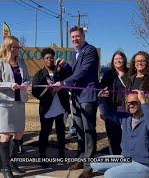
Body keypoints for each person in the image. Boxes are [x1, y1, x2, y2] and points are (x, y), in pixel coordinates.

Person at [79, 90, 149, 178]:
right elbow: (107, 113)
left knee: (109, 174)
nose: (131, 105)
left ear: (141, 102)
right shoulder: (125, 118)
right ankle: (126, 172)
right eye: (128, 103)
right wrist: (101, 99)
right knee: (95, 163)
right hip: (126, 159)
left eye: (134, 102)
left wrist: (144, 101)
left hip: (143, 165)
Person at [53, 26, 100, 176]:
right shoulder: (75, 54)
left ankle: (89, 164)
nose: (75, 39)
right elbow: (74, 72)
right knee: (79, 130)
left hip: (87, 96)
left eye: (77, 36)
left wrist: (63, 83)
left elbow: (83, 72)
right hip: (76, 96)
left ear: (83, 36)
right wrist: (64, 65)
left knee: (88, 130)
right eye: (72, 37)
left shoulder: (90, 50)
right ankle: (81, 157)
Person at [0, 36, 30, 178]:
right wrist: (10, 85)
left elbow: (27, 78)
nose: (15, 49)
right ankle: (5, 167)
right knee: (5, 134)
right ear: (7, 47)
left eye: (17, 47)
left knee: (19, 132)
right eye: (13, 46)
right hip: (5, 103)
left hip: (20, 101)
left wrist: (25, 84)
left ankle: (13, 162)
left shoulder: (21, 61)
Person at [32, 48, 72, 168]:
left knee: (61, 131)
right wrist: (48, 92)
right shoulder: (39, 74)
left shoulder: (60, 71)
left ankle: (61, 154)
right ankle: (42, 156)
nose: (49, 60)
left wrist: (64, 67)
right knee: (45, 132)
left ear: (54, 58)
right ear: (43, 60)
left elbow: (71, 78)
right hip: (47, 107)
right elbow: (35, 91)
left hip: (60, 106)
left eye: (51, 57)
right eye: (46, 58)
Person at [98, 51, 129, 155]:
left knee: (127, 136)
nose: (118, 61)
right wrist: (102, 111)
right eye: (116, 59)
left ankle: (126, 158)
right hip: (111, 110)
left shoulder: (130, 73)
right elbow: (101, 91)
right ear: (113, 61)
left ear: (124, 60)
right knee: (112, 137)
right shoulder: (108, 74)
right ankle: (114, 159)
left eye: (120, 58)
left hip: (127, 110)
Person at [127, 51, 149, 120]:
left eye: (143, 61)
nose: (140, 63)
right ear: (134, 64)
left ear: (147, 63)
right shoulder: (130, 79)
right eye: (137, 61)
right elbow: (126, 98)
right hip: (131, 116)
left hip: (146, 117)